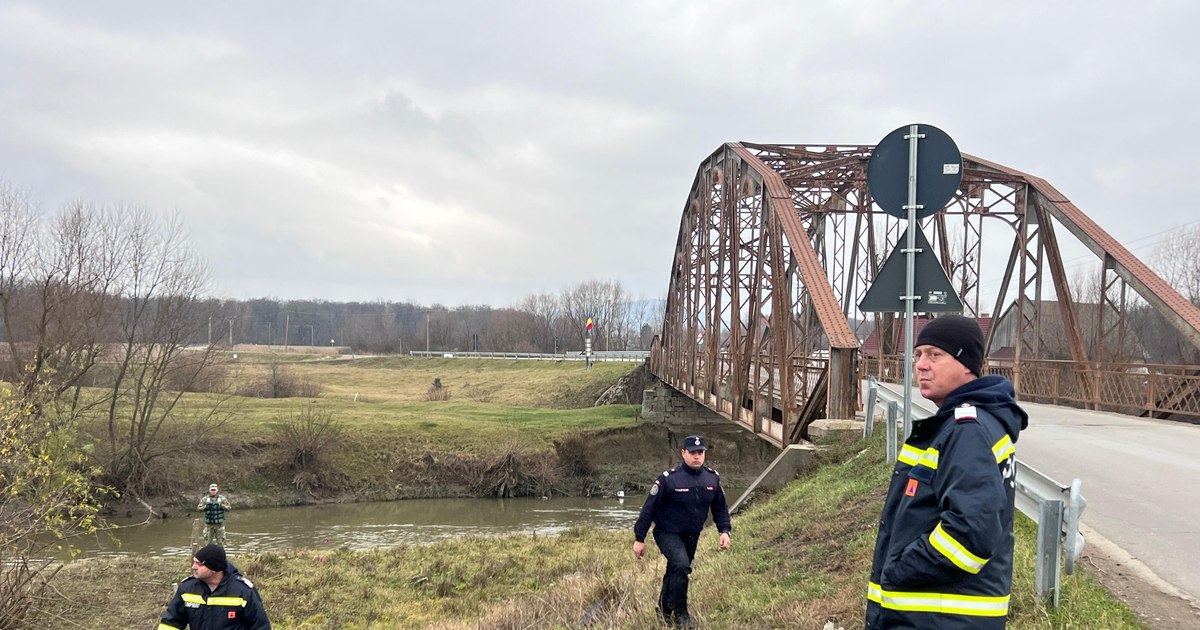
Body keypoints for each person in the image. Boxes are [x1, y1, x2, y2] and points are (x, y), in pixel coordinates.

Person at [866, 315, 1028, 630]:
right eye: (918, 355)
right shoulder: (962, 425)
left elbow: (970, 536)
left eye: (935, 355)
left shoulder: (967, 431)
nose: (921, 365)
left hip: (939, 620)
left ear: (966, 363)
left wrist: (899, 569)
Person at [632, 434, 732, 628]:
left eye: (700, 452)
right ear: (683, 453)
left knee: (676, 570)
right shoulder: (669, 479)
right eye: (692, 452)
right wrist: (639, 538)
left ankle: (663, 609)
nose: (697, 456)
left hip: (692, 534)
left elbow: (720, 508)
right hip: (667, 532)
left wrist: (725, 531)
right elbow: (649, 509)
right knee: (681, 565)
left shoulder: (712, 478)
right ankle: (681, 614)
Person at [159, 543, 270, 629]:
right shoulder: (187, 588)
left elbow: (260, 625)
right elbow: (171, 622)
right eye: (194, 562)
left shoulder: (243, 591)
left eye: (199, 564)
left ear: (214, 569)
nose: (193, 567)